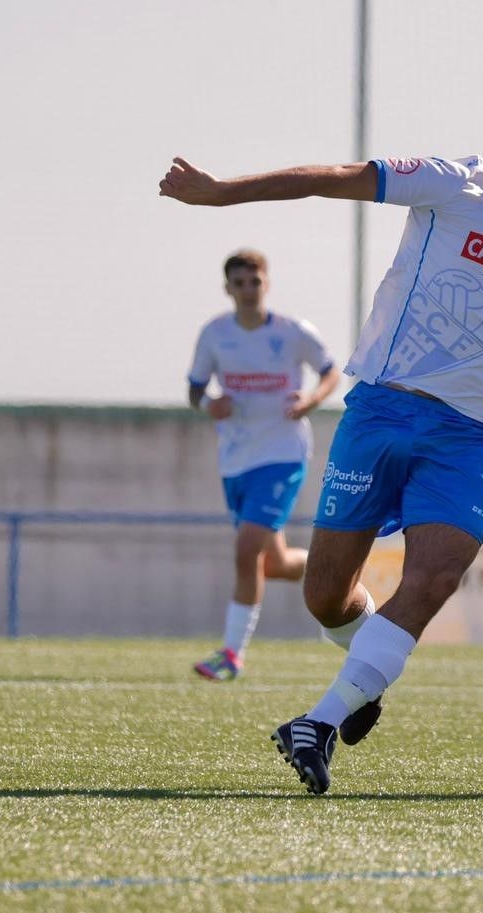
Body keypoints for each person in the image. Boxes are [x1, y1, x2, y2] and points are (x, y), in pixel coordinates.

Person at [160, 98, 483, 793]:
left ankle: (318, 721)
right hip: (381, 412)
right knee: (325, 597)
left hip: (466, 436)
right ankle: (360, 682)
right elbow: (331, 176)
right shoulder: (453, 185)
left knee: (435, 576)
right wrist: (222, 193)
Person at [187, 249, 340, 680]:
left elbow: (331, 372)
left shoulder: (292, 332)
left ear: (266, 284)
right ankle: (340, 567)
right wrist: (209, 405)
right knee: (275, 564)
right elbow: (195, 390)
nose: (249, 290)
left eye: (255, 282)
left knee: (245, 551)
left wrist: (311, 399)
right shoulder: (215, 334)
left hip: (282, 455)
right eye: (240, 283)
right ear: (228, 289)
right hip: (236, 459)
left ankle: (231, 655)